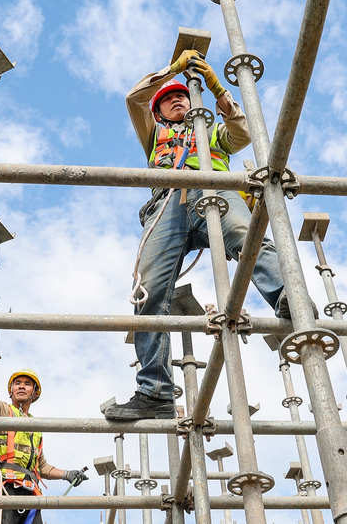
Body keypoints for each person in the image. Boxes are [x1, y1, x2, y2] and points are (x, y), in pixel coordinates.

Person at [104, 50, 290, 421]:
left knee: (246, 236)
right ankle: (155, 392)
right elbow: (134, 99)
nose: (176, 99)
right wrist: (172, 70)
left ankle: (288, 297)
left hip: (215, 190)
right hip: (168, 204)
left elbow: (242, 133)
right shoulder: (154, 134)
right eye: (167, 99)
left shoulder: (211, 130)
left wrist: (219, 91)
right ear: (158, 112)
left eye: (182, 95)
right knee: (148, 289)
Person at [0, 369, 88, 524]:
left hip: (30, 494)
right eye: (17, 383)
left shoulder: (36, 427)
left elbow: (41, 466)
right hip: (4, 488)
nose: (21, 386)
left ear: (35, 393)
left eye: (27, 384)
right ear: (11, 391)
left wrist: (67, 474)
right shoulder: (4, 411)